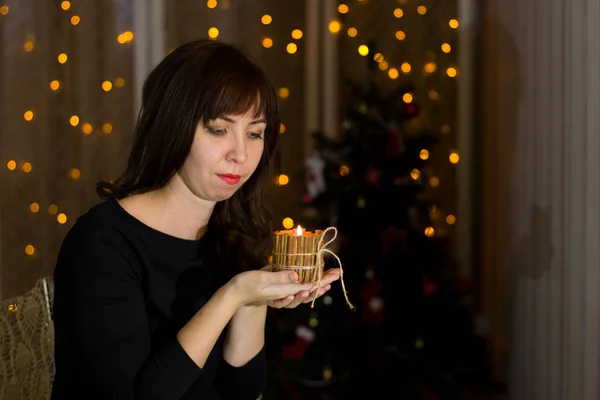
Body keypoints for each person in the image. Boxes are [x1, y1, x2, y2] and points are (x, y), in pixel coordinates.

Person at [50, 39, 341, 400]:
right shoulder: (102, 243)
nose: (240, 154)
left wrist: (253, 301)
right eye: (219, 130)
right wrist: (231, 296)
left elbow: (242, 392)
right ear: (174, 127)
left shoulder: (232, 233)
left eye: (254, 133)